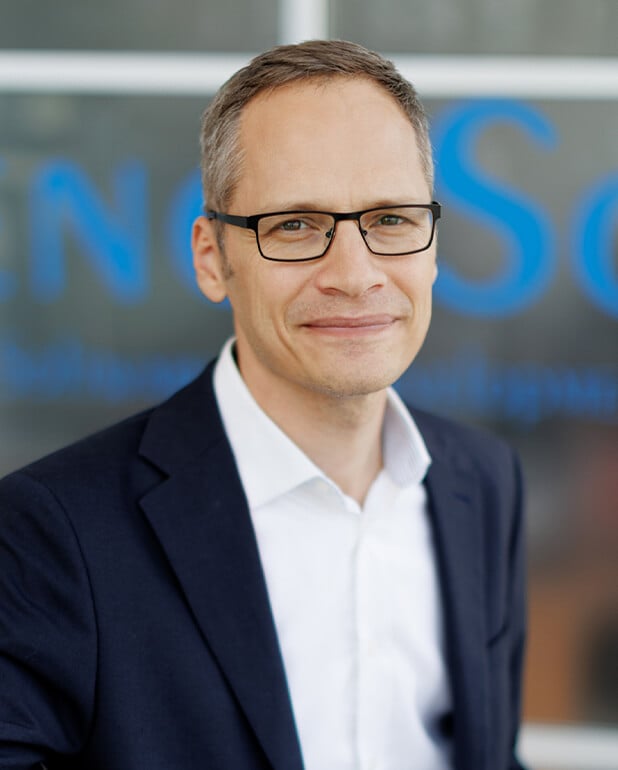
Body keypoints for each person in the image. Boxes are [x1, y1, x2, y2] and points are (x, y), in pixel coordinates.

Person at [0, 40, 527, 770]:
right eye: (295, 226)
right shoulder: (54, 533)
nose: (355, 275)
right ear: (212, 259)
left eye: (391, 219)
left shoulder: (485, 482)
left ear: (433, 245)